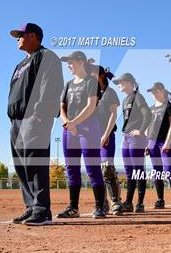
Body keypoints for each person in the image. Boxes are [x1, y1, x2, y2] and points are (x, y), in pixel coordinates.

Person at [8, 23, 63, 226]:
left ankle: (42, 210)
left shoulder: (46, 56)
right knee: (21, 164)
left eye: (20, 35)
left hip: (35, 116)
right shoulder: (21, 64)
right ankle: (31, 206)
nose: (17, 39)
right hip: (17, 119)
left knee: (35, 161)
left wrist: (41, 112)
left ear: (33, 36)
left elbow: (52, 83)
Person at [57, 51, 106, 219]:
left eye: (71, 62)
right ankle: (73, 207)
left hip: (88, 128)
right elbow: (62, 106)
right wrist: (66, 122)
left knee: (92, 167)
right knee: (71, 168)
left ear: (80, 62)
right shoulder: (68, 84)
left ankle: (100, 206)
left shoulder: (91, 81)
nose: (69, 66)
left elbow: (91, 105)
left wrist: (74, 122)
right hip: (69, 129)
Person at [113, 73, 151, 213]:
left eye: (121, 82)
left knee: (138, 171)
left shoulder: (137, 97)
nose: (119, 85)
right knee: (129, 173)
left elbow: (148, 114)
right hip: (127, 138)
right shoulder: (125, 100)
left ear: (129, 83)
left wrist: (141, 131)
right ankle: (128, 202)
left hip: (136, 139)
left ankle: (140, 203)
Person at [90, 65, 123, 215]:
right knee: (96, 170)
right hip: (91, 136)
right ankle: (101, 203)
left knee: (107, 167)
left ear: (101, 75)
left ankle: (116, 201)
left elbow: (113, 115)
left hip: (106, 135)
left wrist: (106, 134)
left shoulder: (110, 93)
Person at [146, 82, 171, 209]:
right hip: (152, 142)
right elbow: (147, 126)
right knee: (156, 171)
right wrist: (147, 143)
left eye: (155, 91)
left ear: (162, 91)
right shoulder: (151, 108)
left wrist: (168, 143)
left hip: (164, 142)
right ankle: (160, 199)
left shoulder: (169, 106)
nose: (153, 94)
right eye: (152, 92)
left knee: (169, 170)